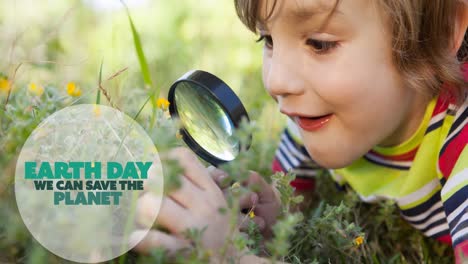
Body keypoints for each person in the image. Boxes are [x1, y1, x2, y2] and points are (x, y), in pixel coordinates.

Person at [132, 0, 468, 263]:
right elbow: (296, 202)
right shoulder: (315, 118)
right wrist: (274, 220)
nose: (277, 81)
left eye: (320, 44)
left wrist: (228, 257)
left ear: (439, 33)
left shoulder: (460, 138)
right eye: (268, 40)